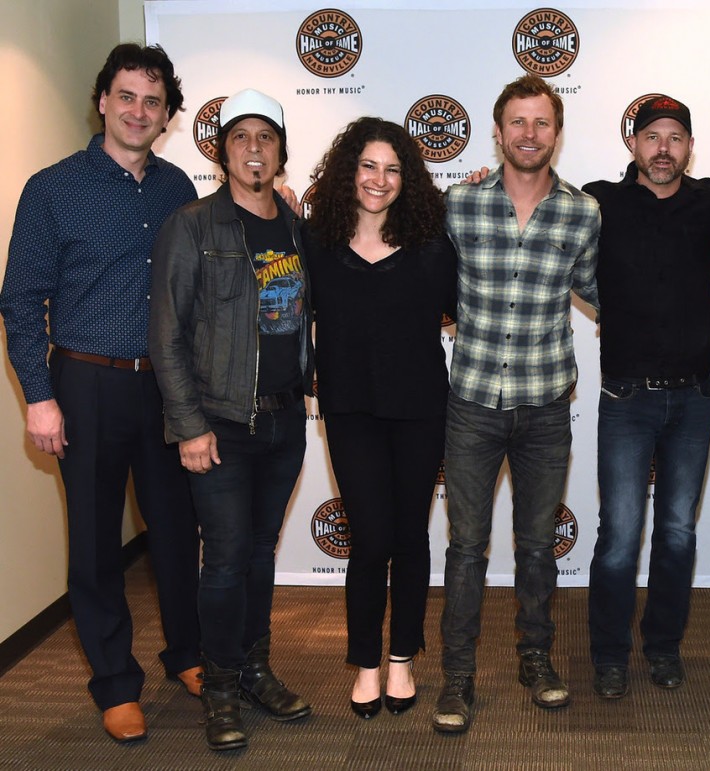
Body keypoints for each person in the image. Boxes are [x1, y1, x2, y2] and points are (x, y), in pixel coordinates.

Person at [0, 43, 201, 743]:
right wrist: (40, 394)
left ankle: (188, 653)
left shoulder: (180, 189)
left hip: (168, 387)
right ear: (102, 101)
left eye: (152, 101)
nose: (138, 111)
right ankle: (116, 682)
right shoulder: (51, 189)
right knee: (93, 543)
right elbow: (21, 302)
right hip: (83, 383)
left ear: (167, 115)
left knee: (177, 532)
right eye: (126, 96)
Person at [431, 74, 600, 734]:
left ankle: (537, 659)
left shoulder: (582, 213)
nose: (530, 134)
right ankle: (458, 676)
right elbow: (413, 271)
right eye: (518, 123)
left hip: (546, 405)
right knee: (466, 548)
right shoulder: (459, 204)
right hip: (471, 401)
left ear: (556, 133)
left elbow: (606, 291)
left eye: (542, 123)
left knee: (536, 547)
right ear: (498, 132)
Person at [149, 89, 313, 751]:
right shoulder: (192, 225)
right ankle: (219, 685)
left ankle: (253, 665)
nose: (254, 148)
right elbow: (166, 335)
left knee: (259, 555)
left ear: (279, 149)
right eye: (240, 136)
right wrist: (188, 424)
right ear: (222, 150)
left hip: (284, 422)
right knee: (222, 560)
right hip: (219, 424)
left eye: (266, 137)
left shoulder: (297, 226)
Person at [304, 118, 456, 720]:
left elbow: (461, 306)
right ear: (349, 171)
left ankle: (402, 661)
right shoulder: (315, 242)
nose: (380, 179)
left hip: (420, 409)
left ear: (408, 179)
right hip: (349, 410)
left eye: (393, 169)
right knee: (369, 541)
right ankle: (365, 662)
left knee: (410, 536)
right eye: (369, 165)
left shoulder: (432, 243)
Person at [583, 95, 710, 699]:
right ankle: (609, 655)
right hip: (625, 397)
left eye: (675, 137)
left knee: (677, 535)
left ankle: (663, 647)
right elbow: (534, 214)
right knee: (618, 537)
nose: (663, 148)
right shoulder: (599, 201)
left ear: (689, 147)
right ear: (633, 144)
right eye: (652, 136)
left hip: (693, 396)